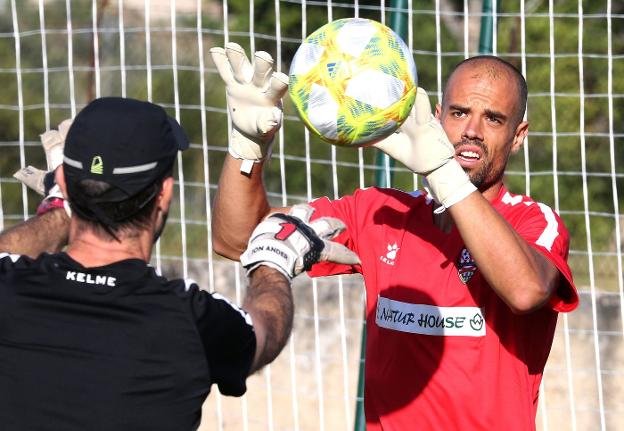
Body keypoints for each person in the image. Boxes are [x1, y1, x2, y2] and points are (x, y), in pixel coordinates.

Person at [209, 43, 579, 430]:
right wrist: (247, 147)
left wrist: (444, 174)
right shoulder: (382, 211)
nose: (472, 131)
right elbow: (239, 240)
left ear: (518, 136)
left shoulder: (534, 221)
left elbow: (525, 290)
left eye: (494, 119)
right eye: (459, 113)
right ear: (437, 117)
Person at [0, 97, 359, 431]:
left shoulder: (8, 286)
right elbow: (265, 333)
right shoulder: (192, 319)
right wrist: (273, 263)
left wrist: (63, 207)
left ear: (63, 181)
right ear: (164, 193)